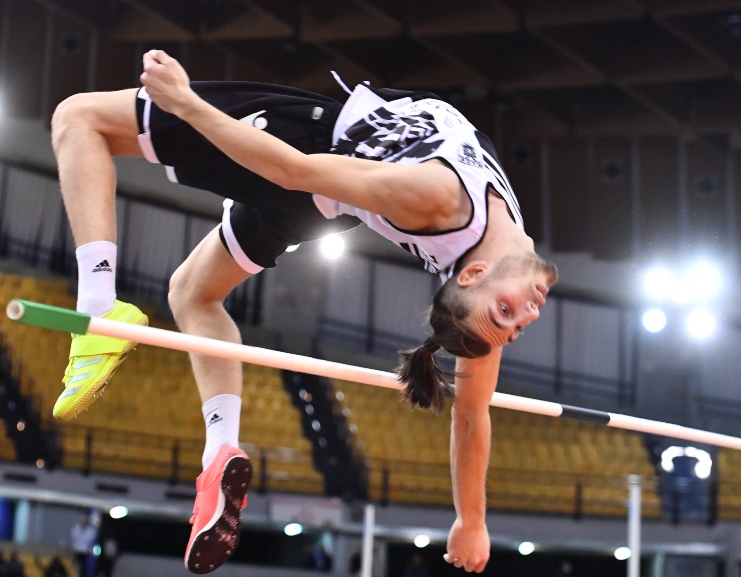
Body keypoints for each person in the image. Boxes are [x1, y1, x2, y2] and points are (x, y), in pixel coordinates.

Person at [50, 49, 557, 575]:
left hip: (304, 151)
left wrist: (187, 103)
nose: (527, 317)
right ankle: (219, 453)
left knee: (77, 117)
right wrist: (468, 522)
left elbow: (295, 171)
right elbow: (471, 414)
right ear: (473, 275)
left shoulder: (446, 211)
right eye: (510, 318)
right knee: (191, 294)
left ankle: (99, 311)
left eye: (511, 322)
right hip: (321, 197)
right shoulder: (481, 227)